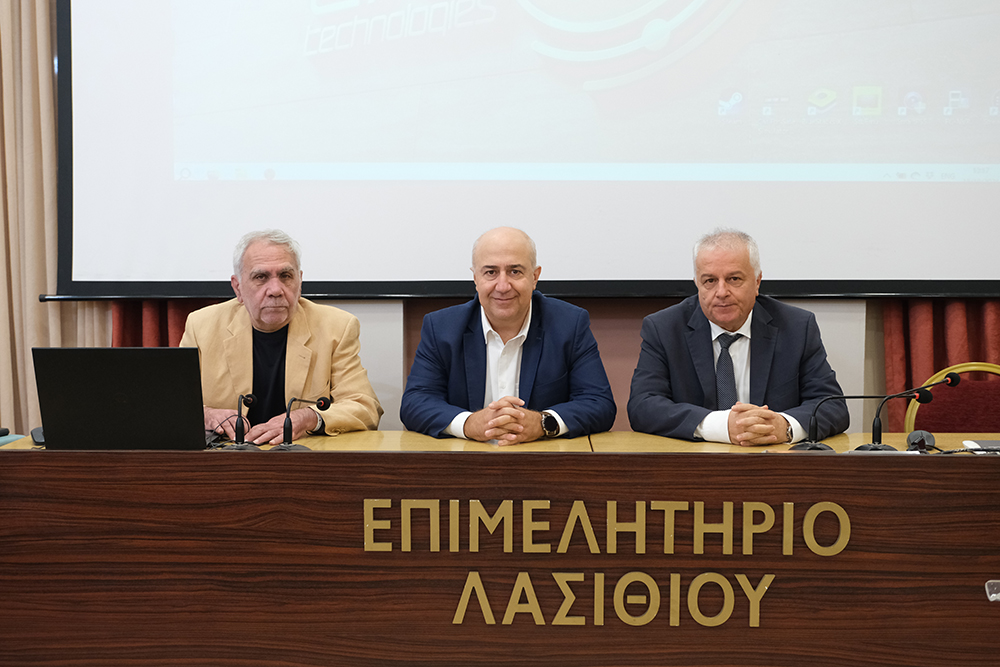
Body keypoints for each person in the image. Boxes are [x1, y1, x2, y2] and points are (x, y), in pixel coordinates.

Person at [628, 228, 849, 445]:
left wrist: (784, 426)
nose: (721, 292)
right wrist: (721, 426)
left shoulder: (796, 327)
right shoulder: (664, 329)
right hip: (695, 462)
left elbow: (832, 406)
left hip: (773, 460)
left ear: (757, 282)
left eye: (734, 279)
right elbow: (642, 405)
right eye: (709, 281)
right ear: (697, 284)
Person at [400, 227, 616, 444]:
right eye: (490, 272)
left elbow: (599, 403)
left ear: (535, 277)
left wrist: (542, 423)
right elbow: (415, 403)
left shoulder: (569, 324)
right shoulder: (441, 328)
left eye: (515, 272)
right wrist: (469, 424)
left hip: (540, 457)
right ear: (475, 278)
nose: (503, 286)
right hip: (468, 457)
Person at [180, 229, 382, 444]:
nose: (275, 290)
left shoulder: (336, 327)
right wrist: (207, 415)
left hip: (301, 454)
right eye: (260, 277)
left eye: (286, 276)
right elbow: (172, 403)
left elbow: (364, 407)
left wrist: (309, 418)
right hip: (228, 455)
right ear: (238, 288)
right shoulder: (201, 325)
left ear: (300, 282)